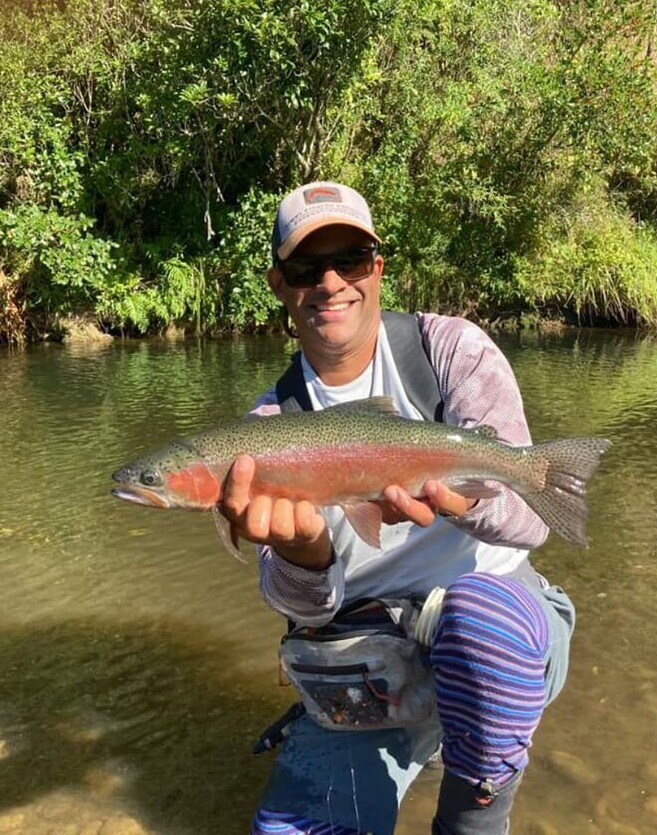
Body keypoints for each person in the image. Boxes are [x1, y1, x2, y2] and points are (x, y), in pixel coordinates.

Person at [221, 182, 575, 835]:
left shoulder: (451, 352)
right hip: (366, 661)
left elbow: (533, 527)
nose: (331, 282)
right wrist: (305, 556)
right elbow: (303, 610)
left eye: (350, 260)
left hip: (497, 636)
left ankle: (474, 812)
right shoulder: (267, 430)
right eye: (306, 269)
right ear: (279, 285)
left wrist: (466, 504)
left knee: (484, 622)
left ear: (377, 268)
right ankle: (417, 738)